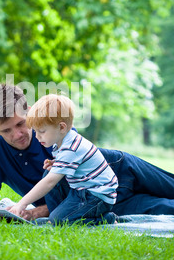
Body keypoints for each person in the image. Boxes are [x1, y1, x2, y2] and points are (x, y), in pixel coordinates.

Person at [0, 82, 174, 222]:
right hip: (97, 199)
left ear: (30, 112)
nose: (18, 134)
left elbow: (55, 186)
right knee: (173, 208)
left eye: (21, 123)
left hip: (119, 168)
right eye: (7, 130)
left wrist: (32, 212)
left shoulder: (54, 130)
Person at [8, 94, 119, 225]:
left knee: (58, 220)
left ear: (61, 127)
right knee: (48, 173)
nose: (37, 137)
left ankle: (106, 218)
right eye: (35, 131)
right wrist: (57, 165)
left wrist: (22, 203)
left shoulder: (71, 148)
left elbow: (49, 182)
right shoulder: (63, 140)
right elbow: (75, 165)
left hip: (96, 195)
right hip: (81, 189)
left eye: (42, 131)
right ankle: (59, 213)